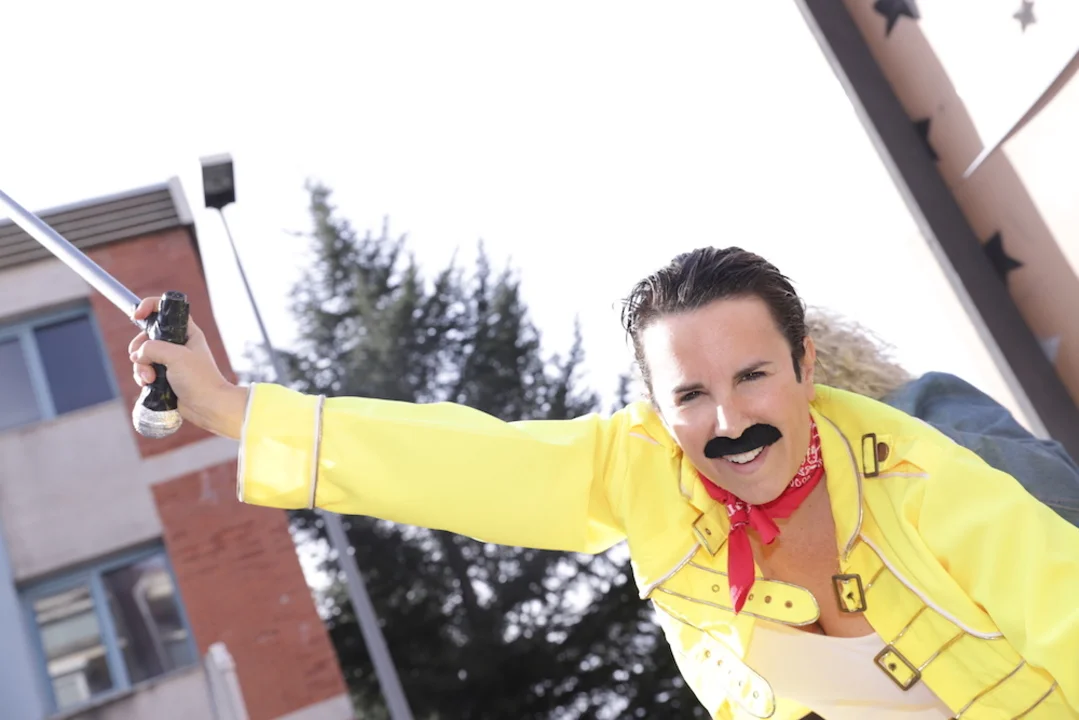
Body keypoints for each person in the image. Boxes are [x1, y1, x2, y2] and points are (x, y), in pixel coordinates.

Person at [128, 247, 1079, 719]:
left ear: (804, 365)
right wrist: (236, 410)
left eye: (752, 376)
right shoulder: (644, 474)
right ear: (656, 408)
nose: (727, 422)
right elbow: (463, 464)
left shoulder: (929, 477)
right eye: (690, 395)